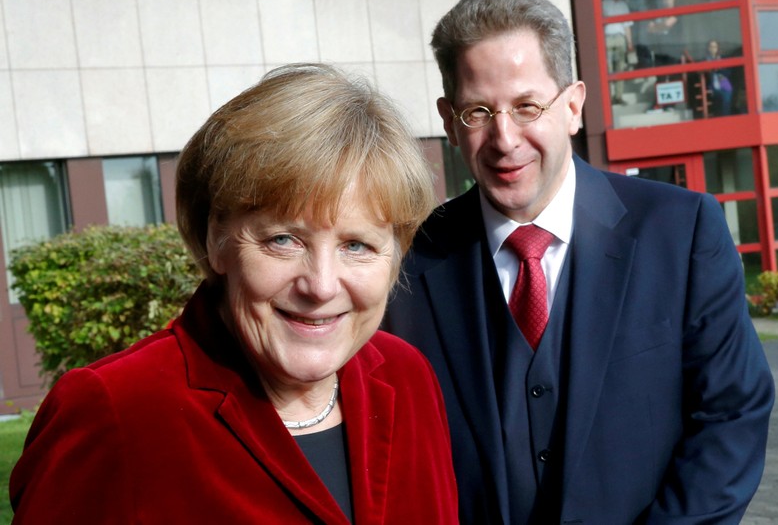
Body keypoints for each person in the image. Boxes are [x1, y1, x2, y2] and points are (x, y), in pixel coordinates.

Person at [383, 0, 774, 524]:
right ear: (450, 121)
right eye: (479, 111)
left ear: (572, 106)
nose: (504, 138)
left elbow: (732, 412)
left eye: (526, 106)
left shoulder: (682, 233)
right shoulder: (406, 261)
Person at [10, 63, 458, 523]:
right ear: (215, 239)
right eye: (283, 240)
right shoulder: (116, 411)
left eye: (356, 245)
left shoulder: (408, 378)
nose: (321, 285)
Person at [602, 0, 635, 103]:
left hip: (620, 38)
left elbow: (627, 26)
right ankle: (609, 96)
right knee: (608, 68)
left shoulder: (623, 5)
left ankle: (618, 96)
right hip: (607, 38)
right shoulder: (604, 4)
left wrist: (630, 43)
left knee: (620, 68)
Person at [705, 39, 733, 116]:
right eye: (711, 46)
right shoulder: (705, 60)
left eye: (715, 47)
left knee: (726, 101)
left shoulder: (722, 58)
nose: (713, 49)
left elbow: (728, 72)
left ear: (717, 48)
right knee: (717, 106)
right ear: (708, 48)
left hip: (724, 85)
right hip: (713, 86)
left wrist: (719, 69)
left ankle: (726, 119)